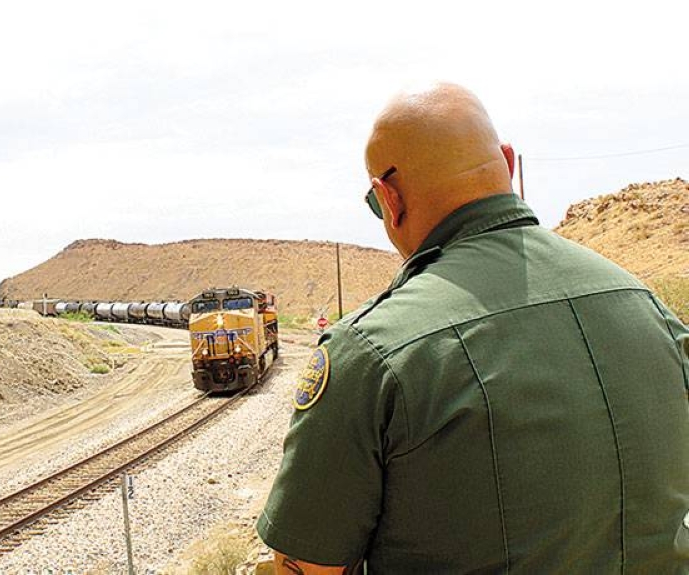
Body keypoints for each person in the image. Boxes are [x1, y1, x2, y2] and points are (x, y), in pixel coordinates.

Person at [257, 82, 689, 574]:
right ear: (507, 164)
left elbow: (309, 566)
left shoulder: (370, 353)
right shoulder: (649, 307)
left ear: (389, 198)